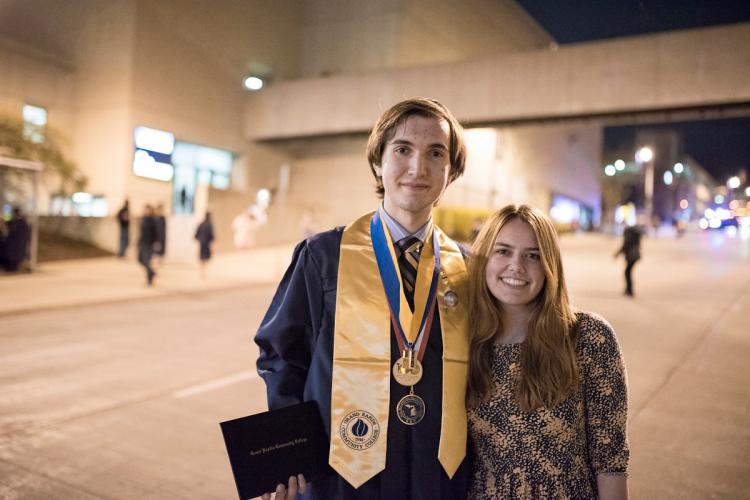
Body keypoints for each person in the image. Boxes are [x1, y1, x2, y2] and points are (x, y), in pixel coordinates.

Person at [255, 98, 471, 500]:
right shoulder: (324, 257)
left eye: (436, 153)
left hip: (438, 480)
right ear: (378, 161)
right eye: (403, 149)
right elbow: (282, 354)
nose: (418, 168)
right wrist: (286, 454)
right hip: (339, 480)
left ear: (451, 170)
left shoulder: (468, 270)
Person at [466, 204, 629, 499]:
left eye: (533, 255)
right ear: (483, 258)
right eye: (503, 251)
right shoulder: (462, 341)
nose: (516, 266)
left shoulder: (589, 337)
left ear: (549, 266)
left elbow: (611, 460)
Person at [614, 223, 643, 297]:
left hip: (631, 256)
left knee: (627, 272)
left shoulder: (629, 236)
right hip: (635, 256)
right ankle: (629, 289)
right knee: (628, 272)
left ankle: (629, 290)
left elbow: (625, 245)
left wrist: (617, 253)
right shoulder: (636, 238)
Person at [1, 207, 31, 272]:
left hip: (13, 249)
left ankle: (10, 267)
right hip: (18, 248)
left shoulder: (16, 223)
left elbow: (9, 228)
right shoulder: (23, 223)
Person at [137, 204, 158, 285]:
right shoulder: (143, 219)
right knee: (140, 259)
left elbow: (156, 232)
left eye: (148, 210)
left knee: (147, 261)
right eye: (145, 209)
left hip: (149, 243)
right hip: (143, 243)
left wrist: (156, 242)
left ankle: (149, 279)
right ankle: (152, 272)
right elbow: (141, 233)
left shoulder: (153, 220)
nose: (146, 211)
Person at [194, 212, 214, 279]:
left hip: (202, 243)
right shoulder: (209, 225)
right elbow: (211, 235)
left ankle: (202, 270)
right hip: (206, 244)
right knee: (205, 257)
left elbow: (196, 234)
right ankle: (203, 271)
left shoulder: (202, 224)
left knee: (202, 257)